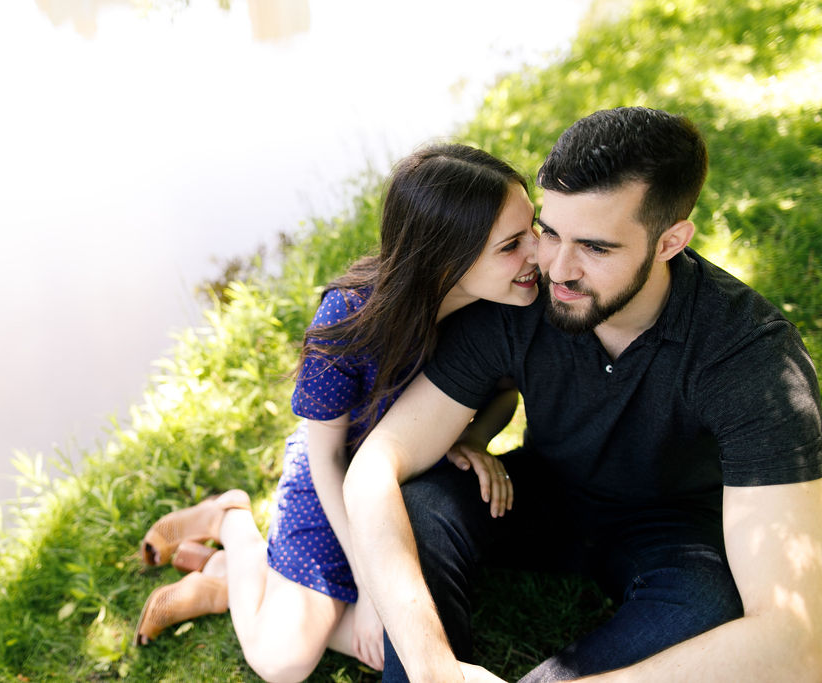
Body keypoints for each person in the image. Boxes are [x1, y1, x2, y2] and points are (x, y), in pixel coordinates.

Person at [343, 106, 822, 682]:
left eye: (595, 247)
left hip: (671, 529)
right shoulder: (520, 298)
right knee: (422, 504)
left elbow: (795, 642)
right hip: (540, 494)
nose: (556, 268)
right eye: (549, 231)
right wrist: (431, 666)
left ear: (670, 241)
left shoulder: (750, 357)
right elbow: (376, 466)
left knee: (712, 607)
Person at [132, 142, 542, 682]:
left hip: (414, 477)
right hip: (334, 478)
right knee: (285, 662)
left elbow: (505, 394)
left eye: (533, 227)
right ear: (449, 259)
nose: (539, 251)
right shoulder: (349, 321)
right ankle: (233, 524)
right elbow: (325, 457)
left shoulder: (502, 308)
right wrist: (374, 585)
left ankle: (228, 578)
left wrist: (472, 439)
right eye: (513, 244)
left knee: (399, 623)